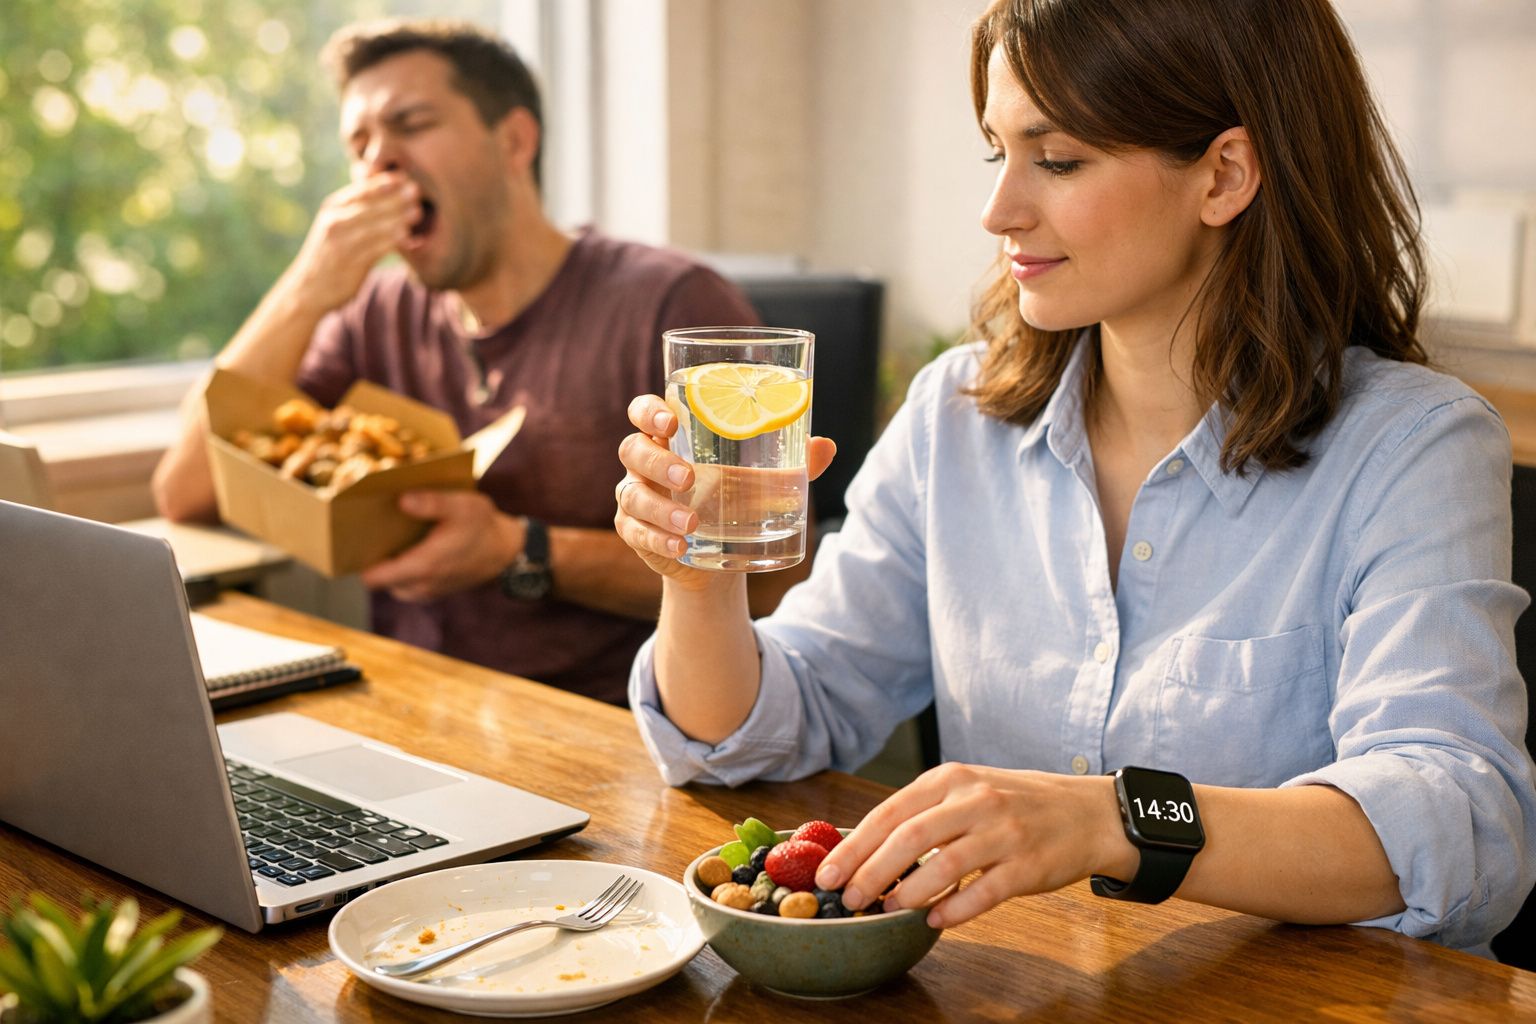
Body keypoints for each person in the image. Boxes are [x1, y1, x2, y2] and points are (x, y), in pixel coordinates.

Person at [612, 0, 1536, 955]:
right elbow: (753, 733)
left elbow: (1461, 822)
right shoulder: (954, 414)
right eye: (996, 153)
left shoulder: (1414, 446)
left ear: (1224, 175)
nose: (998, 210)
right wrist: (700, 581)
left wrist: (1115, 820)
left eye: (1056, 161)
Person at [153, 19, 807, 705]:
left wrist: (517, 550)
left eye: (411, 122)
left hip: (606, 734)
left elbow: (773, 578)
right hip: (407, 712)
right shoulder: (372, 313)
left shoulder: (667, 304)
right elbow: (185, 490)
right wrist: (306, 289)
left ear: (515, 140)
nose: (380, 160)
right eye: (359, 144)